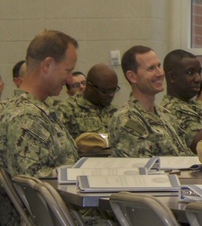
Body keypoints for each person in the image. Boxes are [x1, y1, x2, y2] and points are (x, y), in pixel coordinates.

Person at [0, 30, 80, 177]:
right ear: (47, 65)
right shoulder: (26, 117)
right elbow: (35, 189)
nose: (70, 79)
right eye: (67, 71)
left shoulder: (39, 110)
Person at [108, 45, 191, 157]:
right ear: (132, 77)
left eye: (158, 66)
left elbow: (184, 155)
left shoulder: (166, 115)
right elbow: (142, 165)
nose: (160, 73)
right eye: (151, 68)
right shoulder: (127, 119)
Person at [57, 63, 120, 141]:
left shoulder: (116, 112)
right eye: (105, 91)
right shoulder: (66, 110)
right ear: (90, 86)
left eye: (114, 90)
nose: (111, 95)